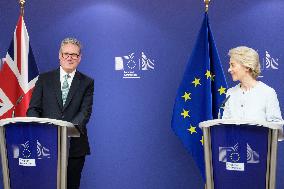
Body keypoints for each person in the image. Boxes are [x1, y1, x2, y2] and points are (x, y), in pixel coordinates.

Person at [26, 37, 94, 189]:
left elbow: (85, 112)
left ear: (80, 58)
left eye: (74, 55)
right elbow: (33, 108)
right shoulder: (44, 79)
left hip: (74, 147)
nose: (70, 57)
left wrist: (66, 130)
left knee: (71, 185)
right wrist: (42, 130)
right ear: (60, 55)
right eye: (66, 54)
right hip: (44, 146)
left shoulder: (87, 82)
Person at [222, 46, 282, 122]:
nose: (229, 69)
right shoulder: (230, 93)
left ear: (247, 67)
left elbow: (276, 128)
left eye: (232, 65)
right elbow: (225, 126)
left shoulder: (268, 93)